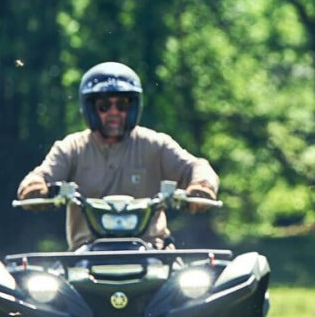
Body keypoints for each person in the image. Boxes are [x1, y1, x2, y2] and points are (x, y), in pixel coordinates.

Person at [16, 61, 219, 249]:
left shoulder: (154, 144)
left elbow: (196, 165)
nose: (114, 112)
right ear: (90, 108)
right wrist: (35, 188)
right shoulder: (71, 148)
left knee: (190, 287)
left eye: (122, 105)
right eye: (104, 106)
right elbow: (40, 176)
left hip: (153, 251)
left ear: (132, 108)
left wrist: (202, 186)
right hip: (86, 257)